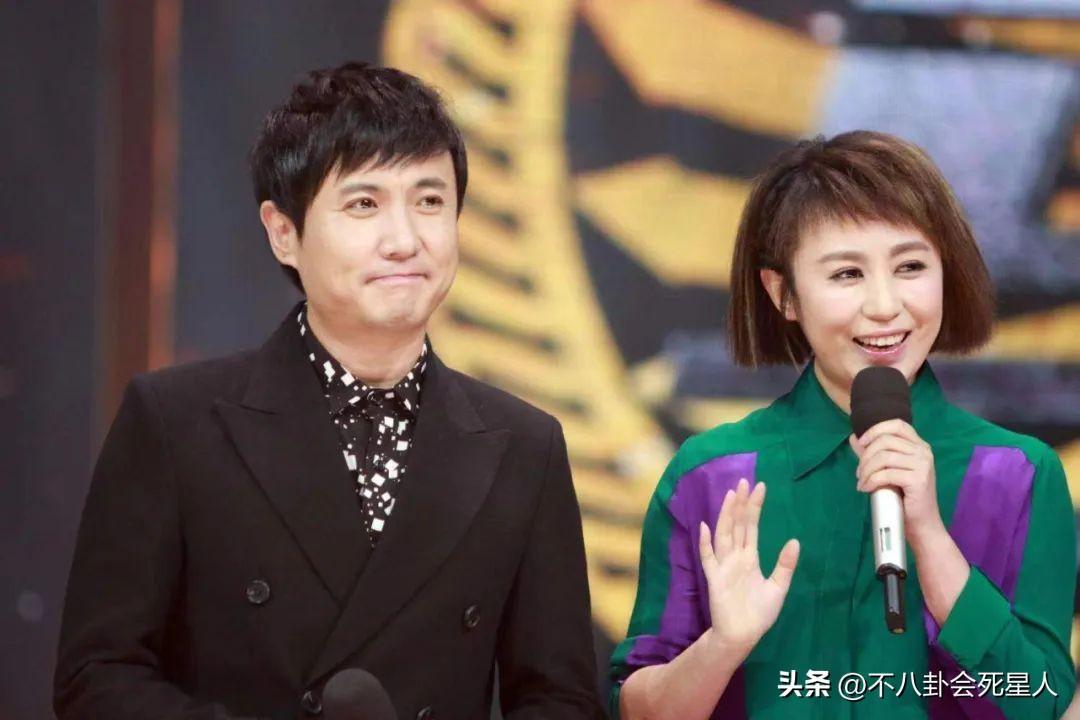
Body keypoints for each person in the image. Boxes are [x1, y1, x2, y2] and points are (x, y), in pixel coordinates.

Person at [55, 61, 603, 720]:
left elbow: (559, 698)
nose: (404, 241)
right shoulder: (176, 421)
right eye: (364, 204)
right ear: (283, 232)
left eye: (430, 201)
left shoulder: (525, 446)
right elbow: (98, 675)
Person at [610, 131, 1076, 719]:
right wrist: (722, 646)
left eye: (910, 266)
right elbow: (638, 710)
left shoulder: (1018, 475)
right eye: (847, 274)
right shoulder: (714, 474)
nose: (884, 305)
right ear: (784, 294)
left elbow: (1044, 704)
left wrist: (932, 542)